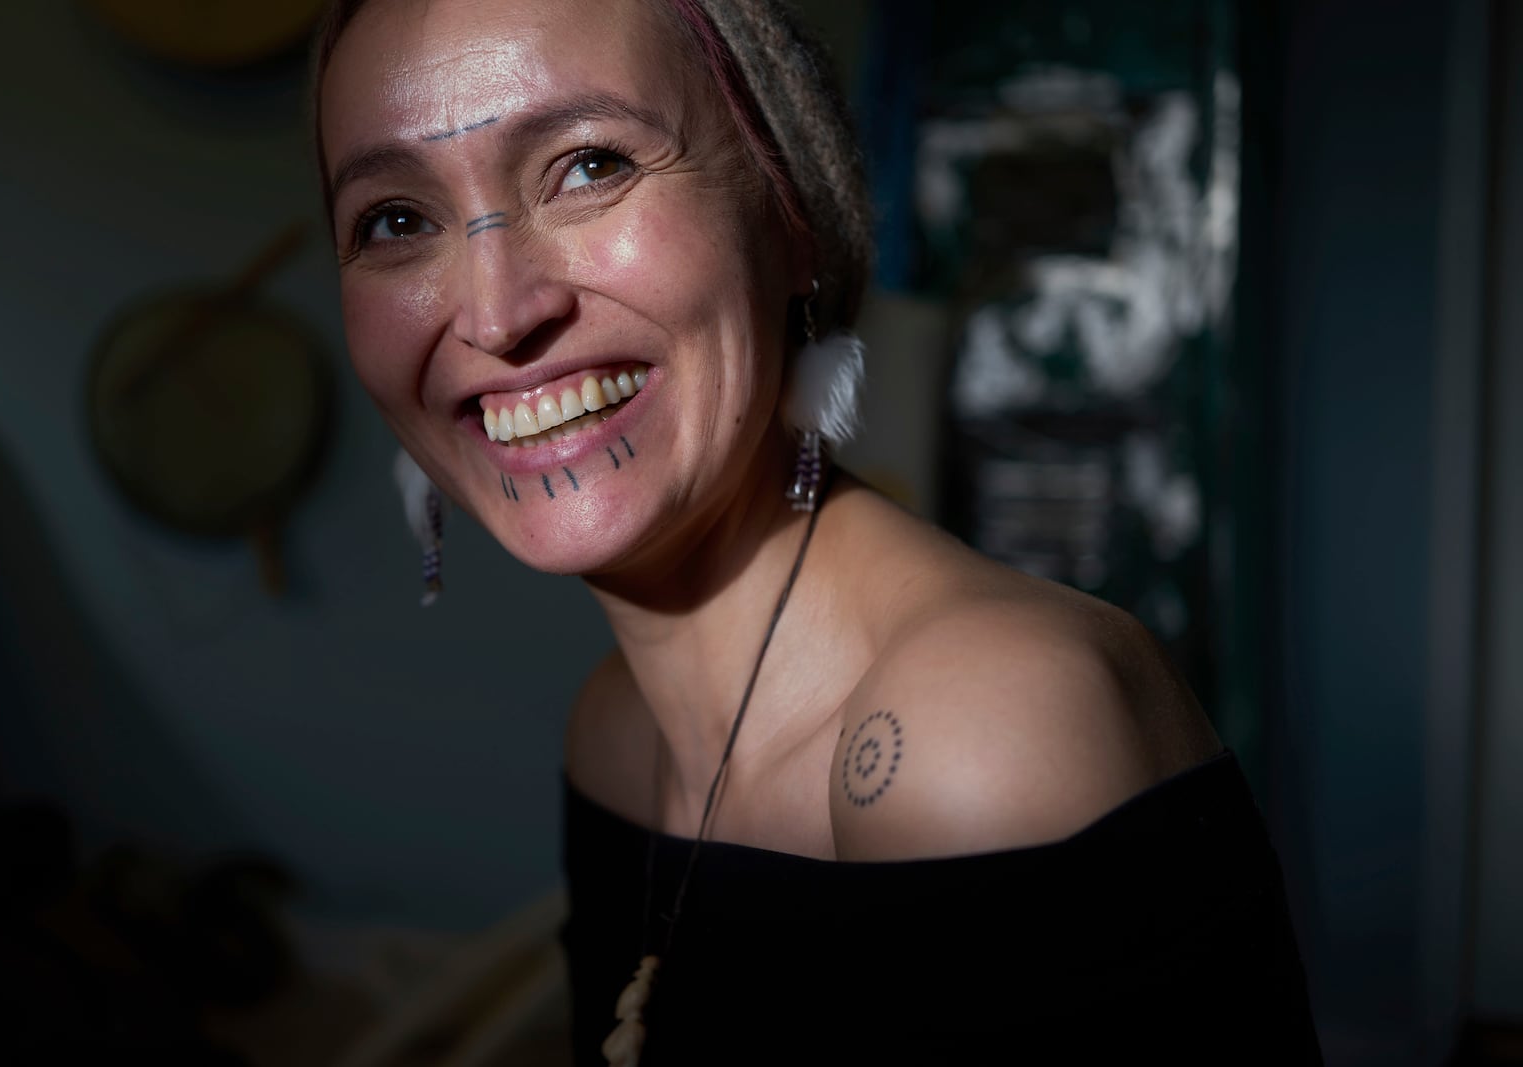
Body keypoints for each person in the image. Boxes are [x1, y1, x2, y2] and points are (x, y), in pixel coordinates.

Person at [313, 0, 1322, 1062]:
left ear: (791, 213)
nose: (495, 313)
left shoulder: (978, 734)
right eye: (395, 220)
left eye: (587, 165)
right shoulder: (616, 733)